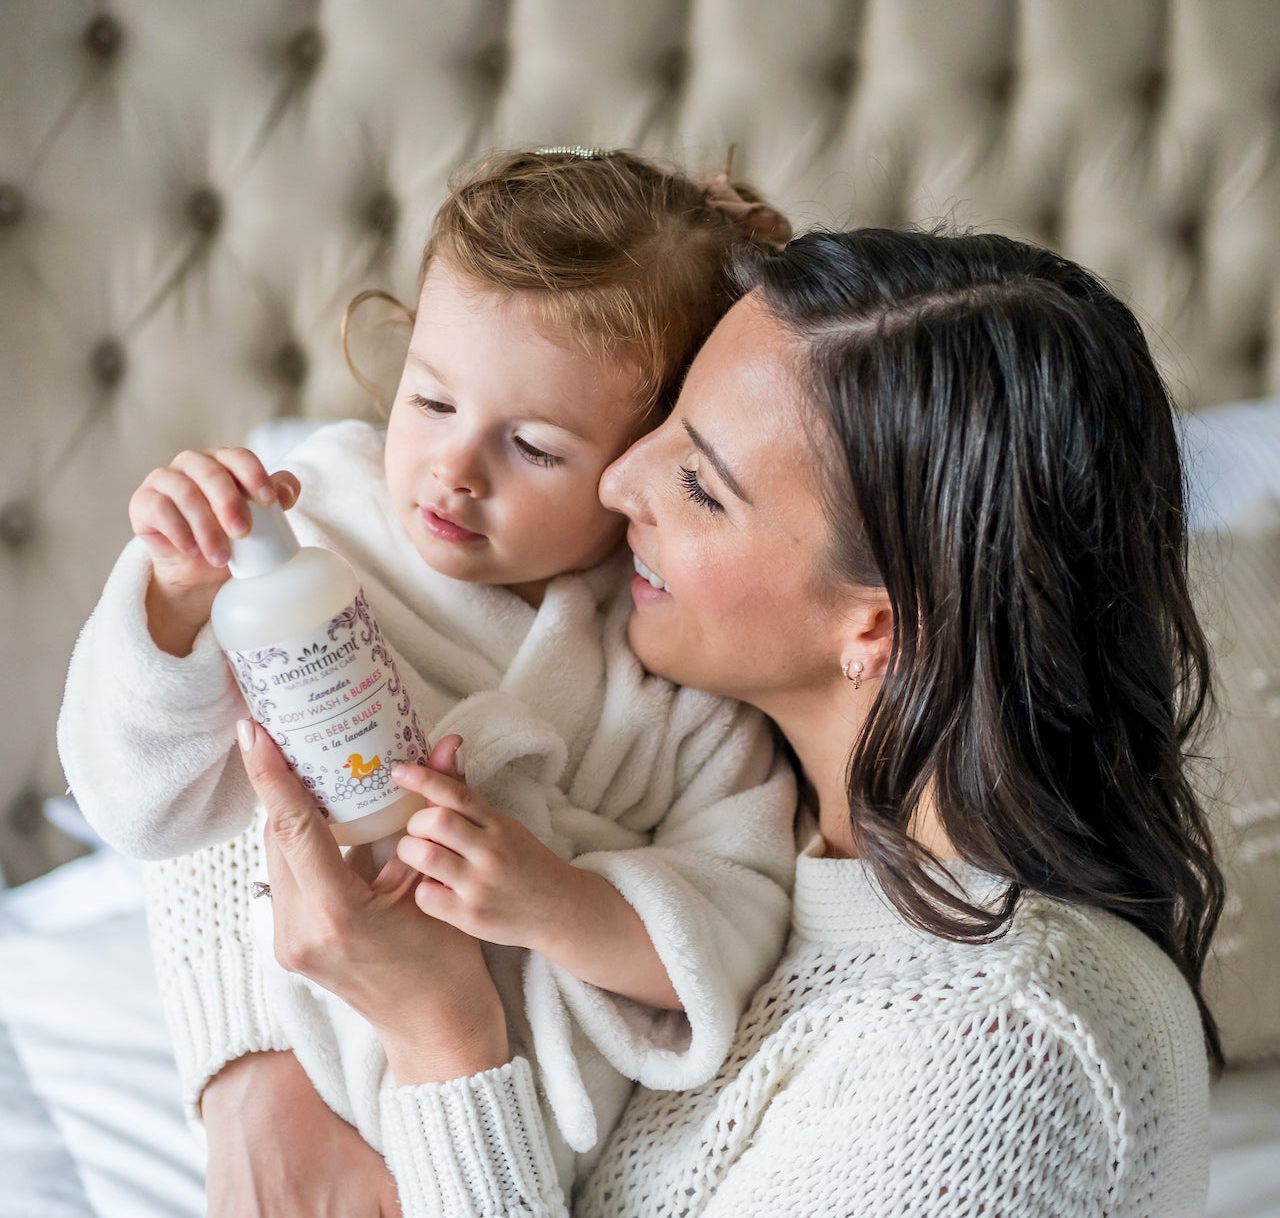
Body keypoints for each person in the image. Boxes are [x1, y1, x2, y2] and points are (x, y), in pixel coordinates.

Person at [218, 226, 1224, 1217]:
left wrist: (439, 1036)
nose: (616, 482)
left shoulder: (999, 1055)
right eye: (662, 421)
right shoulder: (755, 814)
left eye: (699, 484)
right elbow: (282, 703)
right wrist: (253, 1071)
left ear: (875, 621)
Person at [56, 150, 799, 1194]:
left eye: (533, 447)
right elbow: (141, 803)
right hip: (309, 1056)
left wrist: (561, 904)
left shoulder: (673, 672)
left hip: (495, 1128)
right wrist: (173, 606)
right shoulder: (311, 523)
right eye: (432, 401)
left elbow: (740, 913)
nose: (455, 468)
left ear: (640, 464)